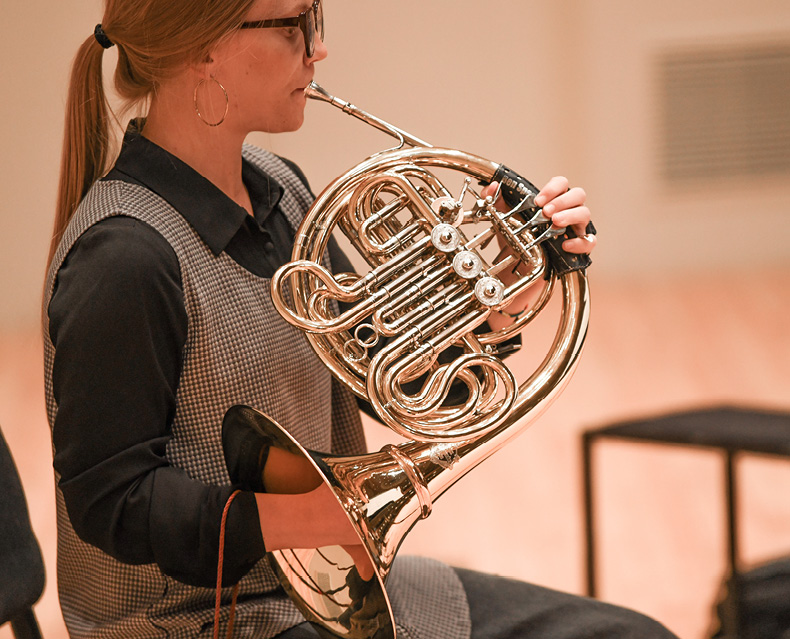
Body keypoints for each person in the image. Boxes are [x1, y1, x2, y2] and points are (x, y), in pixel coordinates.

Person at [43, 0, 677, 637]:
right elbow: (110, 501)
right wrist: (314, 519)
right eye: (295, 25)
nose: (318, 50)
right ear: (205, 48)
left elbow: (380, 368)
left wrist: (505, 289)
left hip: (330, 584)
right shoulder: (124, 257)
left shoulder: (277, 186)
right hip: (197, 620)